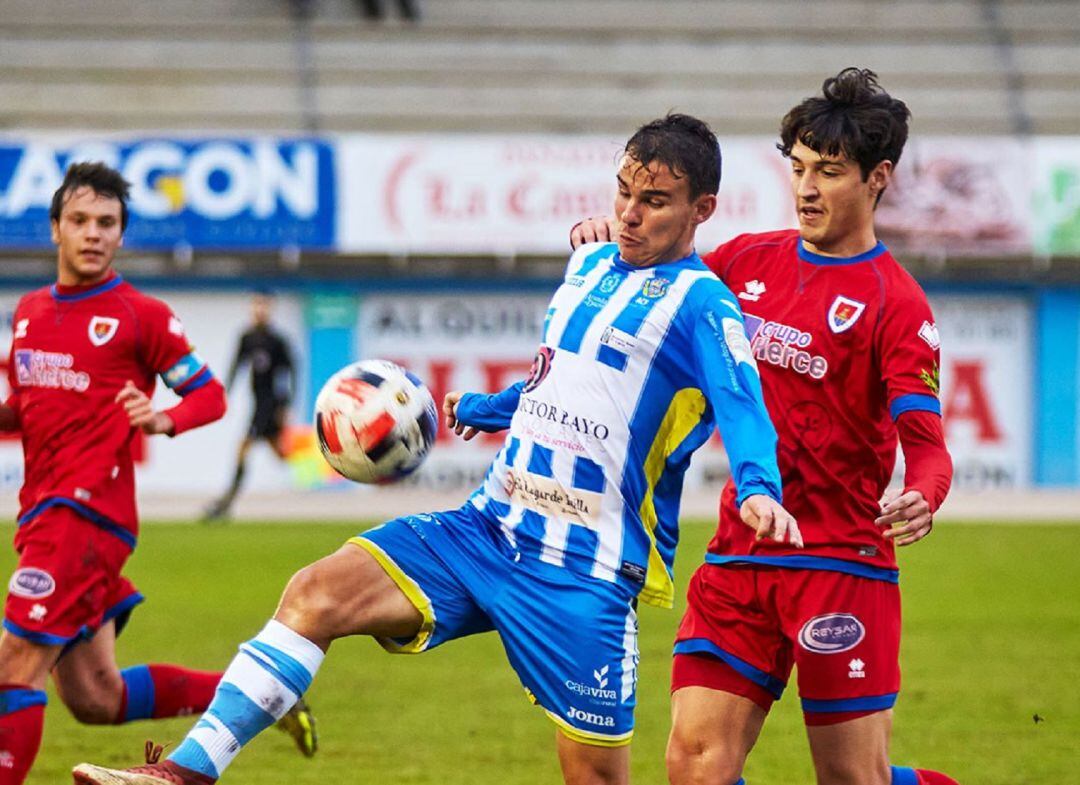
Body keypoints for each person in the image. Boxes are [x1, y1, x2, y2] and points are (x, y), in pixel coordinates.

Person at [71, 114, 799, 785]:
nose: (631, 213)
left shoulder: (704, 306)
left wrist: (759, 484)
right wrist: (489, 407)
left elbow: (742, 405)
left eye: (656, 200)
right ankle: (186, 772)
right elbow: (562, 378)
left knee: (595, 777)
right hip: (486, 528)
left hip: (582, 571)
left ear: (703, 209)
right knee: (314, 592)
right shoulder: (588, 265)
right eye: (623, 191)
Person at [570, 69, 957, 785]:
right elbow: (654, 293)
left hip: (841, 564)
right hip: (740, 557)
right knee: (692, 766)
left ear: (878, 179)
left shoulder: (896, 303)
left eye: (830, 173)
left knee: (851, 779)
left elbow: (928, 450)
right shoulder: (746, 261)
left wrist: (924, 494)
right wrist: (601, 244)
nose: (806, 188)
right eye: (799, 168)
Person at [0, 162, 315, 785]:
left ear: (121, 235)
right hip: (42, 513)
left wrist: (163, 418)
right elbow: (27, 409)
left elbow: (208, 396)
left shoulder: (140, 315)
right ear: (55, 228)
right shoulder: (30, 313)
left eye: (107, 223)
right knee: (96, 698)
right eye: (81, 220)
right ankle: (260, 695)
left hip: (86, 516)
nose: (93, 233)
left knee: (14, 664)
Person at [203, 291, 296, 522]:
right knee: (283, 454)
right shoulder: (247, 337)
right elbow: (237, 366)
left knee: (243, 448)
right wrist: (225, 396)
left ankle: (225, 502)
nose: (260, 309)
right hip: (257, 404)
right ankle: (325, 461)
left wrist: (286, 405)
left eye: (264, 305)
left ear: (270, 308)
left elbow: (291, 373)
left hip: (271, 405)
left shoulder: (277, 341)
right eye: (256, 305)